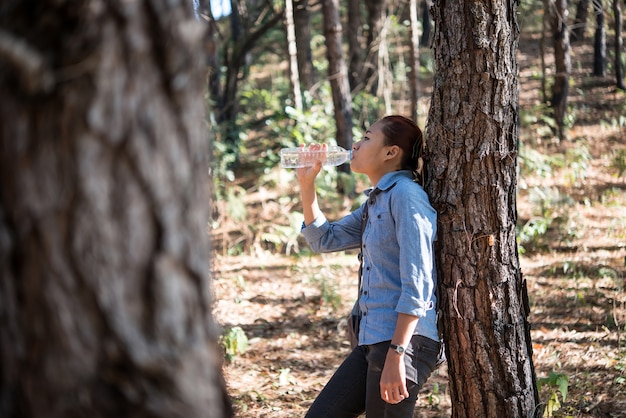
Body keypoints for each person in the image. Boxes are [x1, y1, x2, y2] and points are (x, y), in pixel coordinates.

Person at [297, 115, 441, 418]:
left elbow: (418, 281)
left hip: (404, 340)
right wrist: (306, 185)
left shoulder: (406, 196)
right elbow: (325, 239)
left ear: (391, 152)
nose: (355, 144)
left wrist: (398, 353)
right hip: (375, 339)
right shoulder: (377, 202)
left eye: (366, 137)